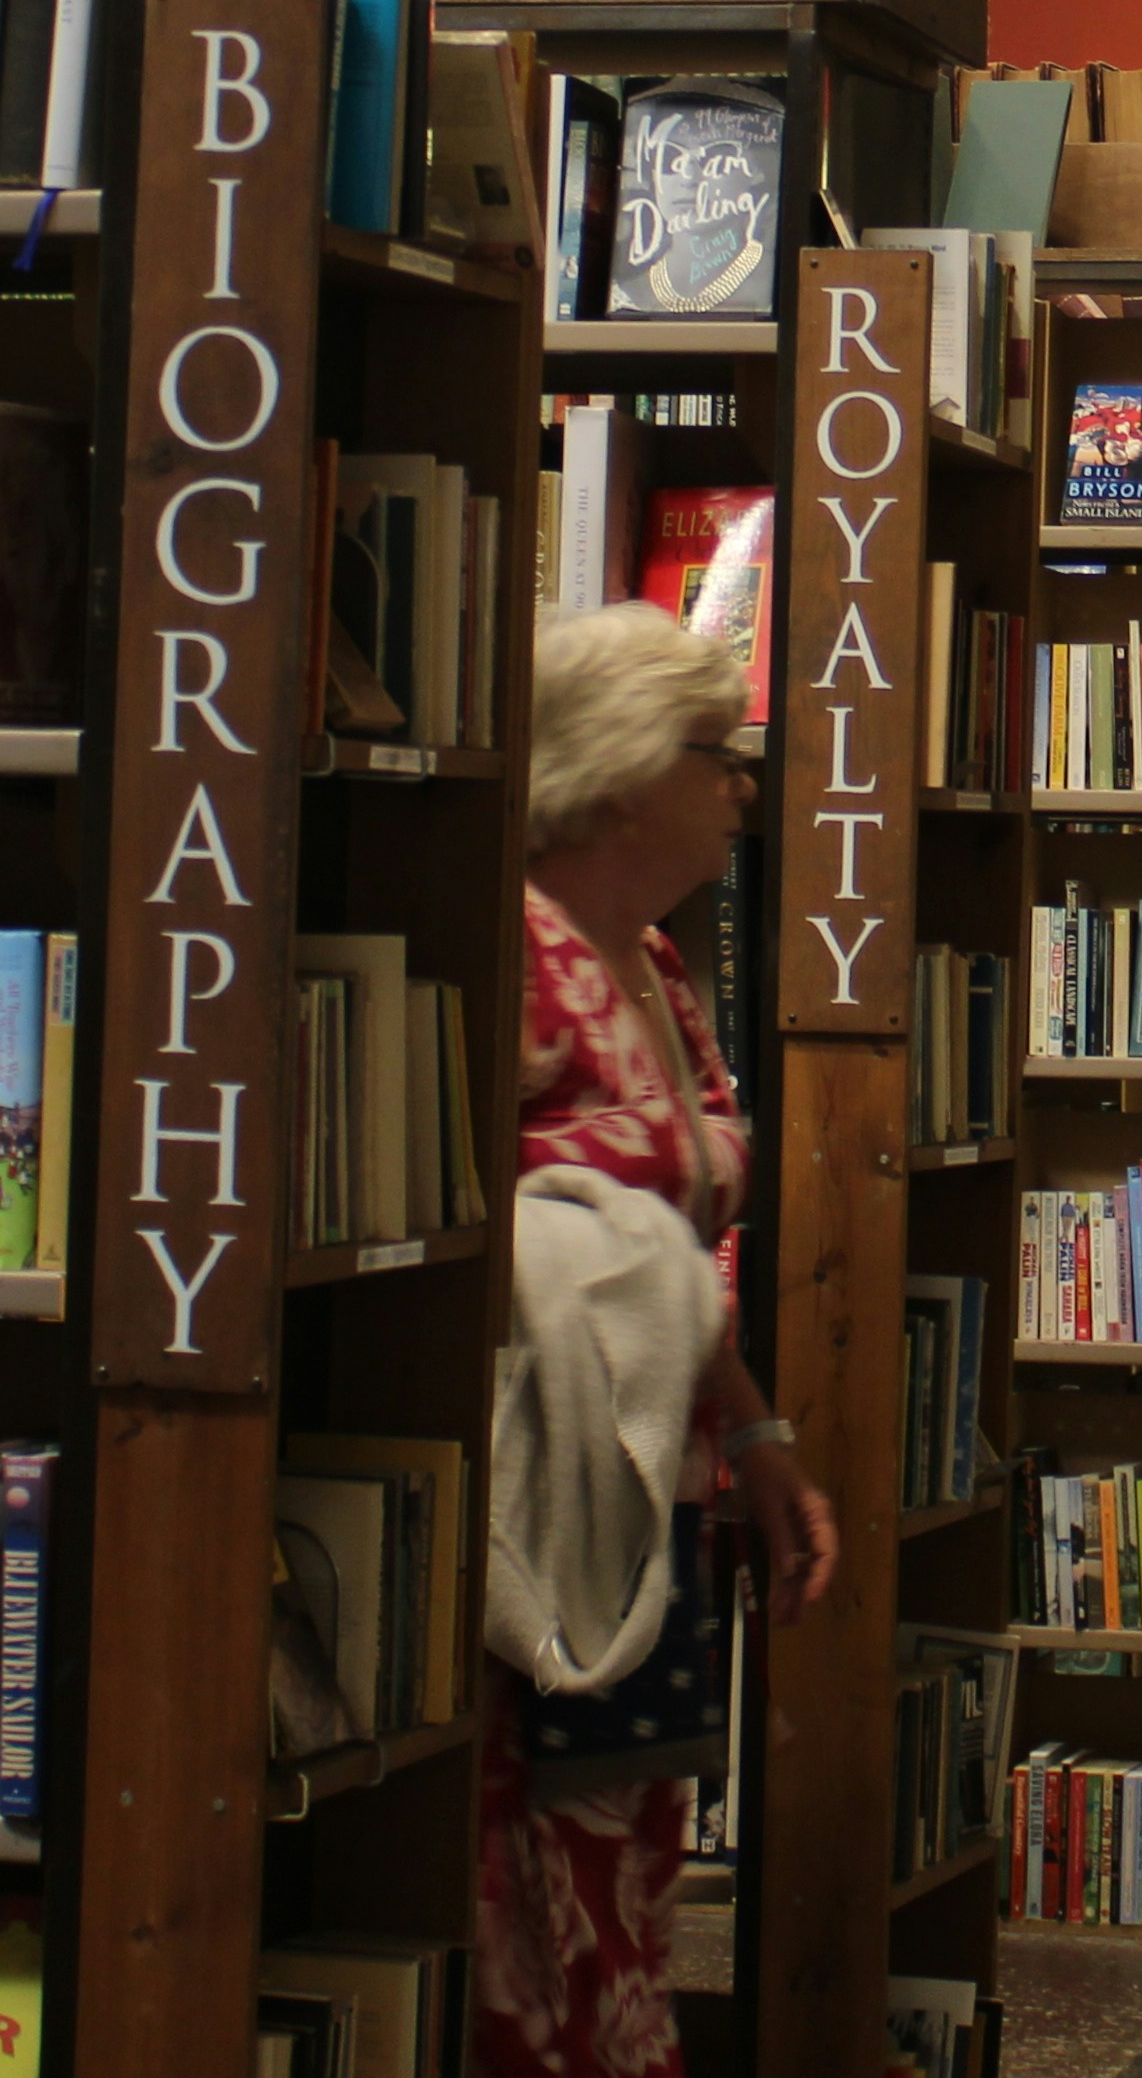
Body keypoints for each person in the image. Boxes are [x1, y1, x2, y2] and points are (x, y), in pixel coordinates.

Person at [475, 604, 841, 2078]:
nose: (744, 785)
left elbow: (675, 1255)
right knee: (524, 1889)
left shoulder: (658, 969)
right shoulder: (515, 952)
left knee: (627, 1881)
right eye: (717, 753)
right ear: (622, 776)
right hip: (538, 1503)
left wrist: (752, 1434)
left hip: (659, 1493)